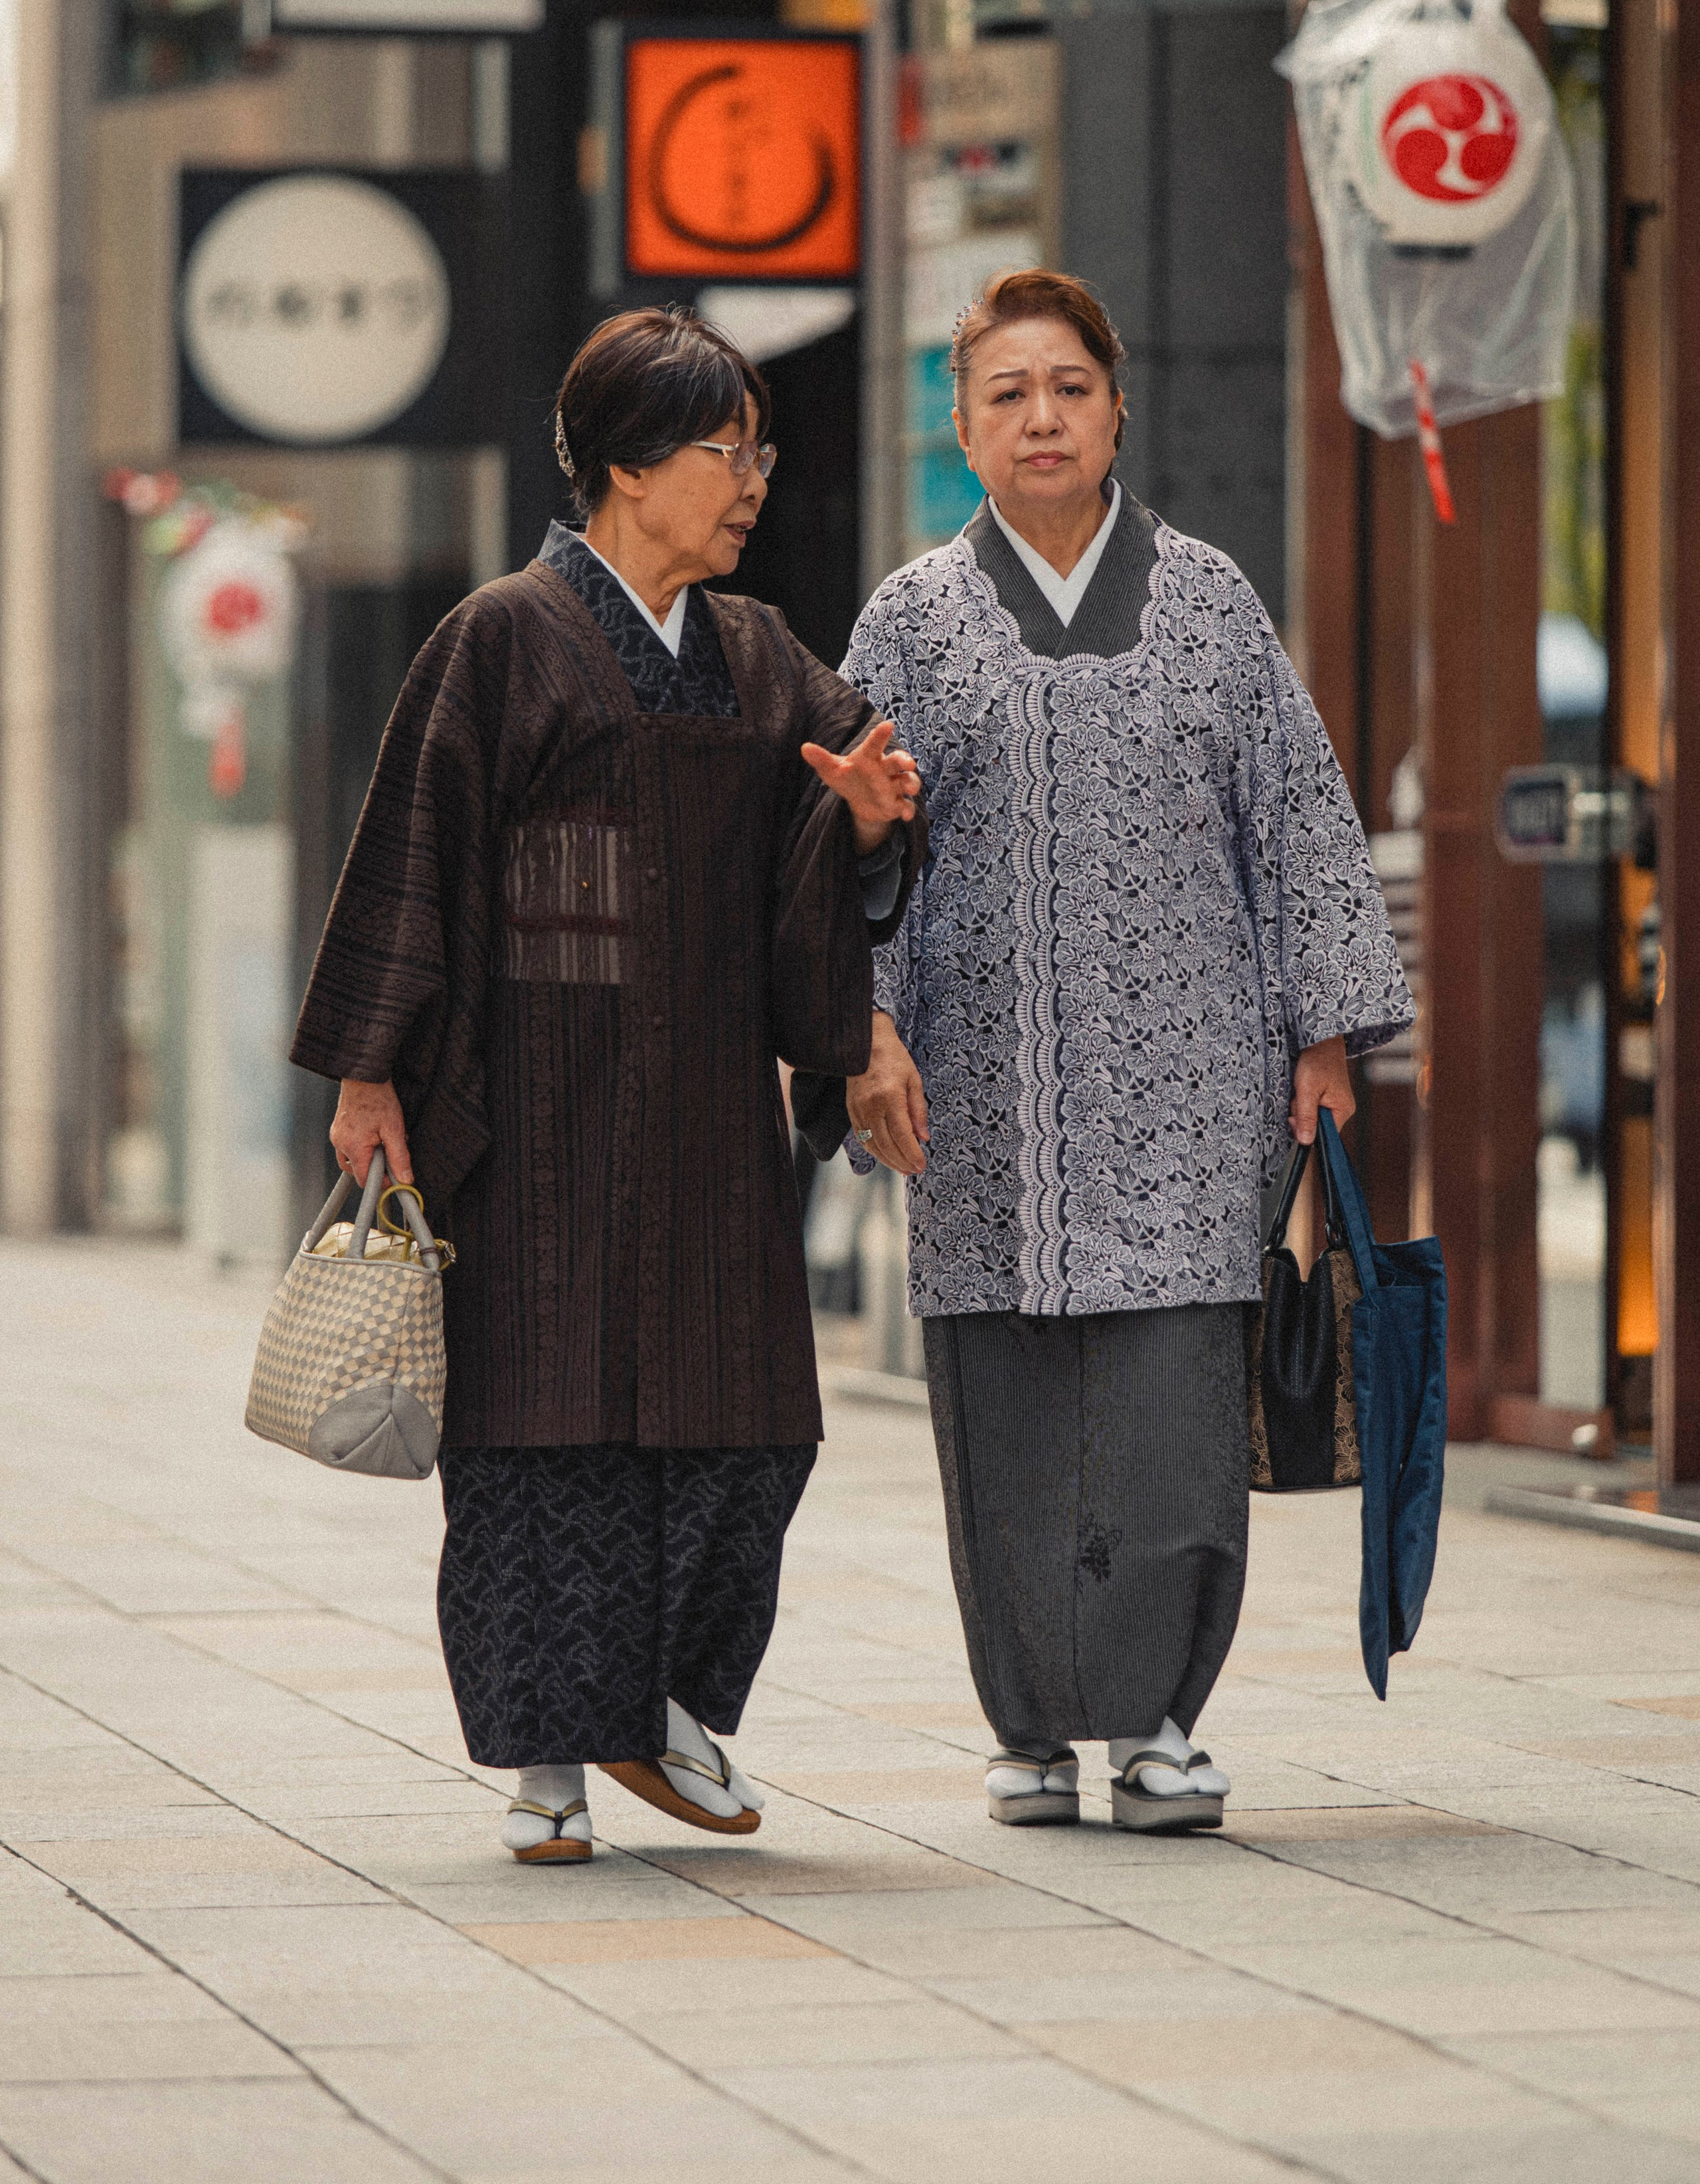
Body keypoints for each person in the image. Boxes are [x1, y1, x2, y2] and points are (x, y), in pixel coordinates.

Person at [292, 306, 924, 1864]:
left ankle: (669, 1709)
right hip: (536, 1100)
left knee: (752, 1421)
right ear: (629, 469)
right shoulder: (500, 635)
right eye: (725, 451)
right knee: (540, 1431)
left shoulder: (762, 651)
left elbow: (860, 793)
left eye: (756, 450)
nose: (752, 481)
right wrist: (373, 1071)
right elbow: (411, 855)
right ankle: (548, 1762)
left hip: (708, 1097)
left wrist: (864, 814)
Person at [818, 269, 1412, 1834]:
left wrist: (1323, 1031)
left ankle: (1153, 1722)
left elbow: (1294, 811)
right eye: (1005, 393)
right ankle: (1027, 1727)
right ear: (960, 425)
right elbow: (854, 847)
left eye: (1066, 387)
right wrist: (865, 1025)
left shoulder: (1210, 598)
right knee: (1003, 1409)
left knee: (1167, 1418)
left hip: (1192, 1082)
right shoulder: (912, 617)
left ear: (1115, 406)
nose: (1039, 418)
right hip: (981, 1092)